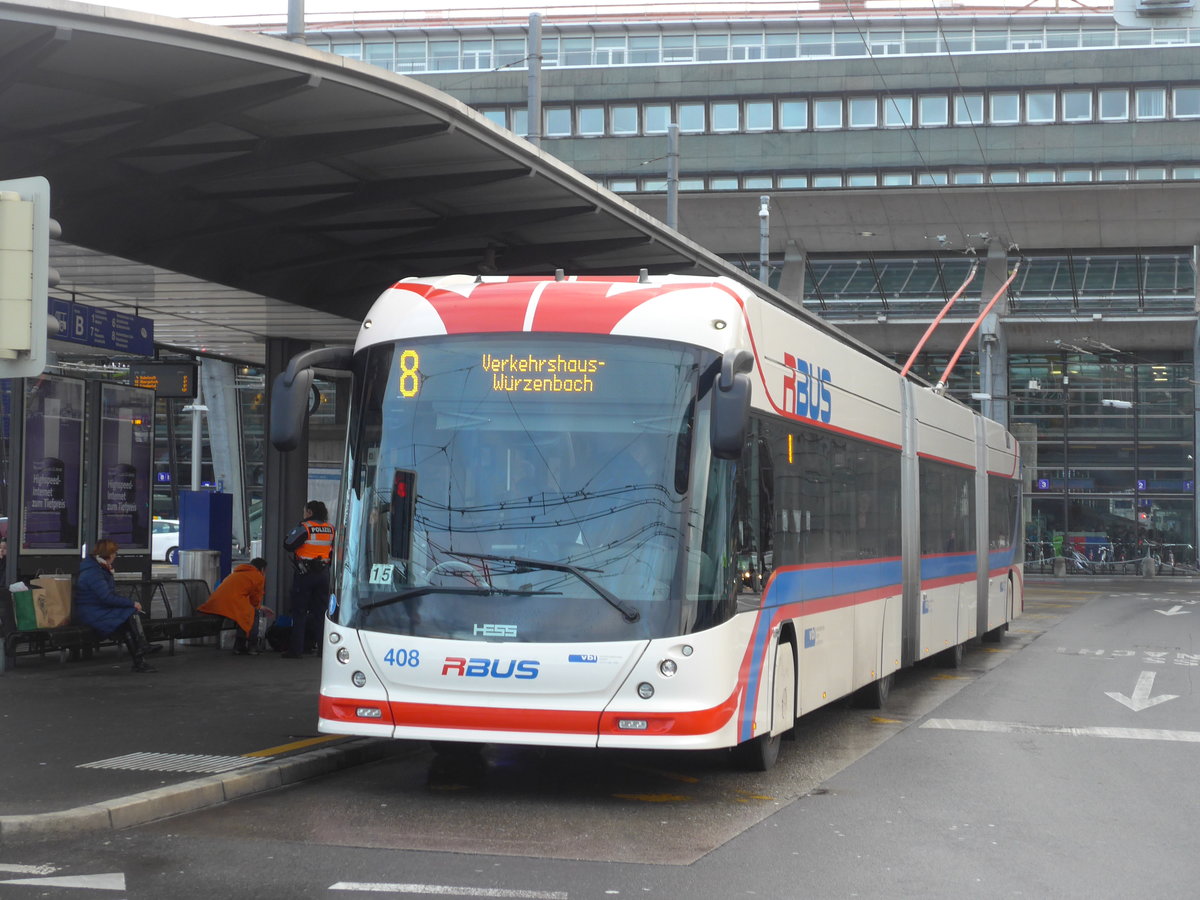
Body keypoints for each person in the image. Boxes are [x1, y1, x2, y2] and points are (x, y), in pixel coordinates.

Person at [74, 538, 161, 674]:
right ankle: (141, 650)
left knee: (126, 623)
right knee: (130, 613)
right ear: (108, 554)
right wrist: (131, 603)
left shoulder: (98, 568)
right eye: (114, 553)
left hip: (96, 609)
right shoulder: (94, 572)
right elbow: (106, 597)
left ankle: (140, 655)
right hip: (92, 612)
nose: (115, 556)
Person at [282, 500, 334, 659]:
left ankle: (296, 650)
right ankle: (323, 650)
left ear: (310, 512)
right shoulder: (330, 528)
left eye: (304, 511)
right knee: (321, 613)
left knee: (299, 611)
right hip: (323, 574)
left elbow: (288, 544)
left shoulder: (305, 527)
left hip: (305, 574)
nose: (303, 514)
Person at [198, 557, 267, 655]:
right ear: (262, 569)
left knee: (245, 613)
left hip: (215, 605)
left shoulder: (236, 573)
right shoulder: (258, 576)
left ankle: (239, 647)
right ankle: (251, 646)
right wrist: (259, 607)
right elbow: (255, 600)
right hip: (231, 605)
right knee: (252, 614)